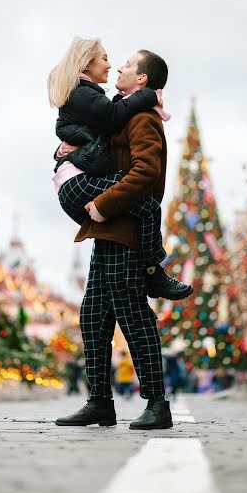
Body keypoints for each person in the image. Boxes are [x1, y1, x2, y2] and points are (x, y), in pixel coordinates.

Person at [55, 48, 178, 430]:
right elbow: (95, 143)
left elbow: (146, 173)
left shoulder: (141, 116)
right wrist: (65, 151)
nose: (119, 67)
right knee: (92, 317)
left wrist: (105, 204)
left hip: (122, 228)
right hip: (108, 230)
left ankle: (157, 403)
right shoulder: (121, 110)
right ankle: (100, 403)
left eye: (126, 64)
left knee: (133, 314)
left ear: (141, 79)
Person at [49, 37, 193, 302]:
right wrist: (148, 96)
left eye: (125, 64)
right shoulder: (87, 94)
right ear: (86, 62)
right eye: (105, 58)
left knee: (96, 317)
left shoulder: (104, 102)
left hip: (83, 191)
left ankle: (153, 273)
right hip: (83, 187)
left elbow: (96, 138)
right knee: (149, 208)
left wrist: (64, 152)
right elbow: (111, 120)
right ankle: (154, 273)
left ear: (141, 77)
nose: (113, 66)